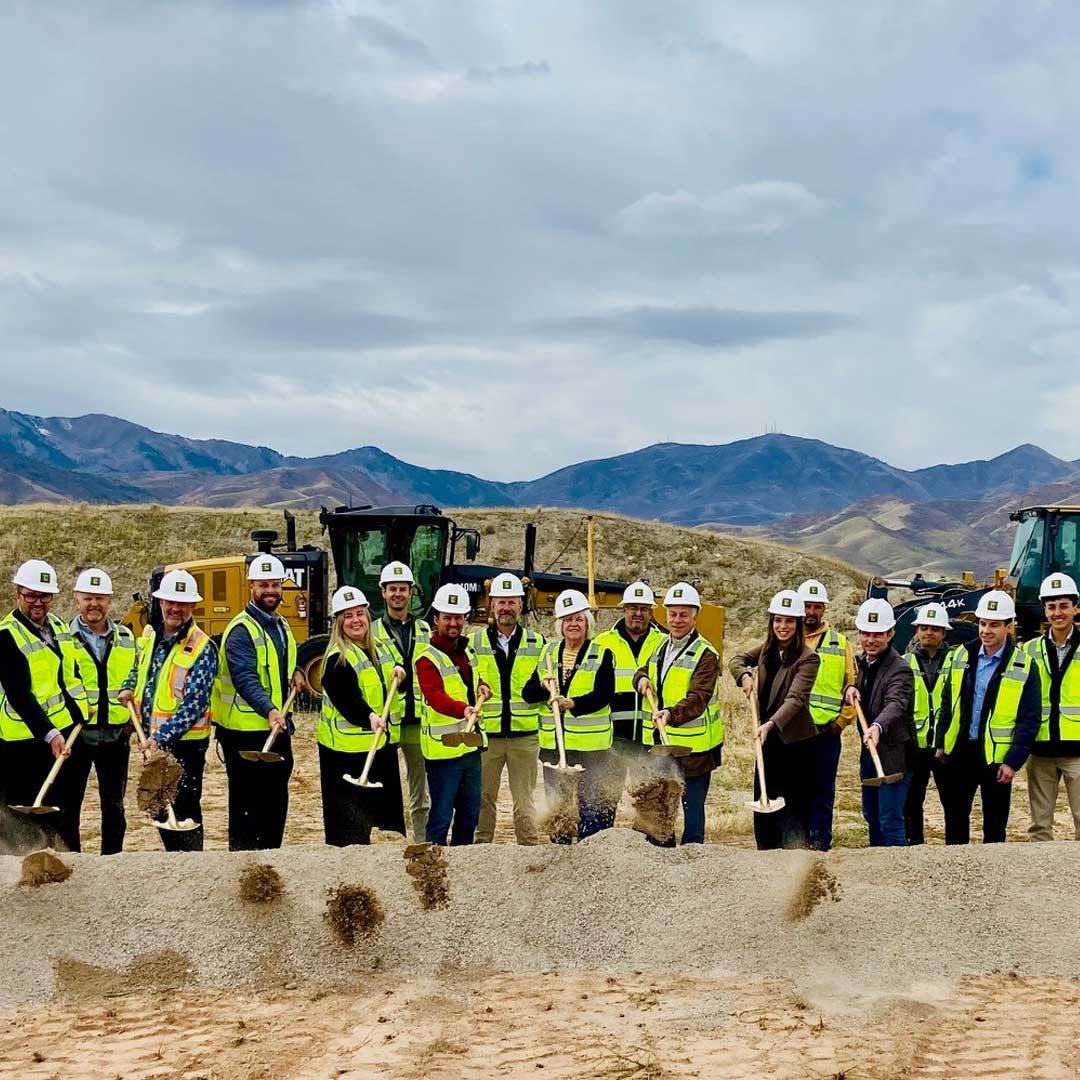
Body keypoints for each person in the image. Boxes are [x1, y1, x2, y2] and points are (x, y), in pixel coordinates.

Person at [118, 569, 217, 852]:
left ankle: (190, 869)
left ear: (192, 606)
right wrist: (127, 687)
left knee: (184, 812)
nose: (175, 609)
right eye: (169, 602)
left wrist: (160, 738)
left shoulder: (201, 647)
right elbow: (139, 669)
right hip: (153, 741)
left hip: (185, 747)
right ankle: (172, 869)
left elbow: (194, 704)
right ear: (160, 603)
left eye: (182, 603)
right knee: (161, 808)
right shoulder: (151, 637)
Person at [211, 555, 305, 851]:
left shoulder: (281, 626)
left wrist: (298, 671)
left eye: (275, 585)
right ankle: (243, 869)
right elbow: (245, 678)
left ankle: (270, 864)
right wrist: (269, 709)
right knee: (246, 809)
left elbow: (281, 664)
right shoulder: (241, 630)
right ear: (251, 586)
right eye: (263, 585)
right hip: (244, 735)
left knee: (275, 805)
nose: (270, 591)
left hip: (275, 730)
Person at [935, 590, 1041, 845]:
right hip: (960, 752)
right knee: (956, 820)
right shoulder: (961, 655)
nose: (986, 630)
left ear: (1009, 626)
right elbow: (947, 702)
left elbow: (1030, 718)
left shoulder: (1024, 665)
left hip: (996, 759)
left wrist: (1013, 761)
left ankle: (993, 881)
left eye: (994, 624)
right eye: (983, 623)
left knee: (994, 827)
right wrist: (941, 743)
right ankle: (957, 874)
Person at [0, 559, 88, 854]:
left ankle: (67, 866)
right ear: (18, 595)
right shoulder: (6, 635)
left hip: (61, 734)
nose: (38, 602)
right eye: (31, 596)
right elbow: (19, 694)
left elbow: (69, 676)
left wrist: (79, 714)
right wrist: (50, 733)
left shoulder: (59, 627)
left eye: (44, 596)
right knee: (21, 818)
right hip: (21, 741)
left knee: (60, 811)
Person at [522, 588, 616, 842]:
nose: (573, 624)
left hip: (591, 749)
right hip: (555, 750)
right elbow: (527, 694)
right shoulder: (548, 654)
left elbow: (604, 694)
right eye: (568, 620)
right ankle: (562, 860)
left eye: (579, 619)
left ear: (588, 623)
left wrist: (572, 703)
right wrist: (543, 686)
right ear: (559, 625)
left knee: (592, 810)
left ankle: (593, 859)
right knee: (559, 813)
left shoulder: (602, 654)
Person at [634, 582, 723, 845]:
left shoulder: (706, 654)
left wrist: (671, 714)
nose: (677, 620)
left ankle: (693, 858)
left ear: (695, 616)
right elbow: (643, 669)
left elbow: (699, 698)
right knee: (662, 803)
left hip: (695, 749)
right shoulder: (660, 646)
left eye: (684, 614)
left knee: (692, 807)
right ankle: (662, 851)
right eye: (673, 614)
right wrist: (640, 679)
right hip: (664, 744)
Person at [730, 590, 820, 850]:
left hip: (795, 743)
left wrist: (770, 724)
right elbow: (737, 660)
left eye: (789, 621)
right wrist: (745, 676)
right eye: (778, 620)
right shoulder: (767, 650)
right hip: (767, 742)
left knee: (793, 808)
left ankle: (795, 859)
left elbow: (796, 699)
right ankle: (765, 855)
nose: (783, 626)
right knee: (764, 801)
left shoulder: (808, 658)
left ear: (798, 624)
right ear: (771, 622)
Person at [318, 585, 407, 846]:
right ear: (338, 623)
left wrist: (401, 675)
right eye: (347, 616)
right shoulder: (338, 659)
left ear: (368, 616)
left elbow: (395, 679)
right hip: (345, 754)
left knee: (388, 821)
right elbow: (346, 698)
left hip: (380, 746)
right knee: (349, 828)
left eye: (359, 614)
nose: (355, 620)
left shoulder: (381, 647)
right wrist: (368, 717)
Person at [68, 568, 138, 855]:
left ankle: (113, 862)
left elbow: (138, 679)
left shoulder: (126, 637)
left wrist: (132, 722)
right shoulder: (62, 637)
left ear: (110, 601)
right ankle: (72, 860)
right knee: (70, 805)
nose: (93, 604)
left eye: (99, 598)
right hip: (77, 736)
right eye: (87, 598)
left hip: (115, 737)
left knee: (114, 807)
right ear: (76, 600)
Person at [471, 572, 544, 845]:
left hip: (524, 737)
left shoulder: (538, 644)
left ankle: (528, 847)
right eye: (500, 602)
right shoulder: (474, 644)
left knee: (524, 799)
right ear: (491, 605)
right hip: (488, 737)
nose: (506, 608)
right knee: (483, 798)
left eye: (511, 602)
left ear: (521, 605)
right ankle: (481, 850)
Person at [414, 583, 489, 846]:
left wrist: (483, 687)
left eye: (458, 617)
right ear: (436, 619)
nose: (453, 623)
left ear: (465, 619)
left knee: (469, 815)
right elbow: (434, 696)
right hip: (444, 750)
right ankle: (432, 866)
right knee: (442, 815)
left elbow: (472, 684)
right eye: (447, 617)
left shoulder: (467, 652)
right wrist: (462, 709)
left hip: (469, 747)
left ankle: (461, 864)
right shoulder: (426, 658)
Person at [372, 561, 432, 843]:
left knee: (421, 790)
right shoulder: (371, 632)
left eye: (403, 589)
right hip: (387, 723)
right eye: (392, 589)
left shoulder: (425, 630)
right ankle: (390, 839)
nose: (398, 594)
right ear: (382, 592)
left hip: (418, 722)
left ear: (411, 592)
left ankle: (420, 842)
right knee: (384, 787)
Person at [848, 598, 915, 847]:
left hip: (893, 756)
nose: (871, 640)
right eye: (866, 633)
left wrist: (877, 726)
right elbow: (856, 681)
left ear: (890, 634)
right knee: (871, 816)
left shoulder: (900, 669)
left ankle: (898, 872)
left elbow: (896, 703)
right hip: (869, 754)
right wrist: (851, 687)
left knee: (890, 819)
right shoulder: (863, 664)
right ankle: (876, 871)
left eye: (877, 634)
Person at [796, 579, 856, 851]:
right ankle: (795, 842)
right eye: (807, 606)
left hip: (825, 733)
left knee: (822, 792)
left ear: (824, 610)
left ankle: (820, 844)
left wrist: (841, 722)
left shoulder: (840, 643)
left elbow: (851, 686)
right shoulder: (788, 638)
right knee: (795, 791)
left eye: (816, 606)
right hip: (794, 732)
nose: (811, 612)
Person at [1025, 573, 1080, 840]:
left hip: (1077, 751)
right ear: (1045, 610)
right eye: (1051, 606)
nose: (1057, 613)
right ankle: (1041, 880)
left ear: (1075, 607)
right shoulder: (1028, 650)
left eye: (1063, 605)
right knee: (1039, 827)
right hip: (1041, 750)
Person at [595, 581, 665, 788]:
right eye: (633, 608)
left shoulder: (663, 643)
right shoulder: (602, 642)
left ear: (651, 612)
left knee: (648, 798)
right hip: (613, 738)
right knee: (605, 798)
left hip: (649, 738)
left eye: (644, 608)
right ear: (624, 609)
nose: (638, 613)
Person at [903, 602, 952, 845]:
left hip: (946, 748)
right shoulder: (905, 662)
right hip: (916, 747)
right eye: (924, 627)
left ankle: (957, 850)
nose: (928, 632)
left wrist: (946, 742)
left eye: (935, 628)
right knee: (911, 803)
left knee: (953, 805)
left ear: (944, 633)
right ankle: (915, 848)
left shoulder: (956, 661)